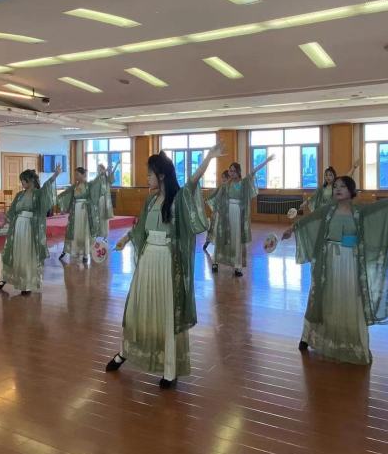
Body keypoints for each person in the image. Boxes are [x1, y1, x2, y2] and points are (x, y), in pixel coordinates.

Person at [106, 144, 223, 388]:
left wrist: (208, 158)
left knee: (165, 312)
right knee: (138, 308)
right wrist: (126, 239)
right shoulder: (150, 200)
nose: (146, 178)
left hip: (167, 262)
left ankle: (170, 369)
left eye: (149, 174)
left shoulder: (177, 199)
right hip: (148, 258)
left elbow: (192, 182)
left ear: (160, 175)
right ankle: (125, 351)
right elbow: (141, 227)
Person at [282, 176, 388, 364]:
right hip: (329, 259)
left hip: (350, 260)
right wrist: (291, 229)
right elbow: (308, 220)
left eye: (343, 186)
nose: (338, 189)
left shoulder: (360, 212)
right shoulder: (328, 210)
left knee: (350, 297)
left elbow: (384, 207)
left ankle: (351, 341)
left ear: (351, 191)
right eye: (336, 187)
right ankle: (309, 336)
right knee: (324, 295)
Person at [0, 165, 61, 294]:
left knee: (27, 253)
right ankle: (10, 279)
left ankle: (27, 283)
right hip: (18, 227)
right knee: (17, 252)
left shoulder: (38, 194)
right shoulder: (20, 195)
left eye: (23, 181)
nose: (22, 184)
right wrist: (4, 222)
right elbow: (12, 210)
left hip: (30, 228)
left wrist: (55, 175)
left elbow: (47, 186)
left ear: (30, 181)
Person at [208, 156, 275, 277]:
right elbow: (217, 198)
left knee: (236, 238)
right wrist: (215, 210)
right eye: (230, 171)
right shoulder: (226, 185)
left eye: (233, 171)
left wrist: (266, 161)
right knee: (223, 238)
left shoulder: (243, 183)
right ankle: (216, 262)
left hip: (238, 214)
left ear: (238, 172)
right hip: (225, 215)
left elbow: (253, 172)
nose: (231, 173)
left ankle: (237, 266)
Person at [57, 166, 105, 264]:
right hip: (76, 211)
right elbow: (66, 193)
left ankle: (85, 253)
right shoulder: (75, 186)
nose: (76, 176)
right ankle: (72, 250)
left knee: (84, 231)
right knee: (74, 231)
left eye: (78, 174)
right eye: (75, 175)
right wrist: (57, 198)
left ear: (83, 175)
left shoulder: (89, 185)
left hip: (85, 211)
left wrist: (101, 175)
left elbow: (95, 187)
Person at [202, 169, 230, 252]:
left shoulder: (230, 187)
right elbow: (213, 194)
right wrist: (206, 199)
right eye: (222, 177)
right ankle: (207, 241)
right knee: (213, 227)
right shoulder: (220, 186)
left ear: (228, 178)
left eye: (225, 177)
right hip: (217, 210)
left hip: (225, 211)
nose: (223, 179)